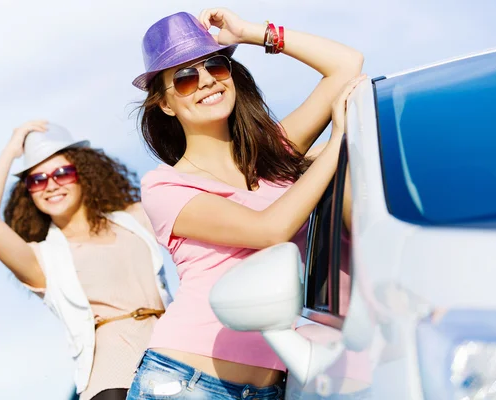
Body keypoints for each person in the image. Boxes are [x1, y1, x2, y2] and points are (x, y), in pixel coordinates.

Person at [127, 8, 365, 400]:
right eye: (184, 79)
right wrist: (336, 145)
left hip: (273, 389)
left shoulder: (273, 152)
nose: (205, 82)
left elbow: (347, 65)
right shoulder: (165, 187)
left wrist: (251, 33)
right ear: (166, 105)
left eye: (215, 67)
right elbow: (269, 230)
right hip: (186, 382)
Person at [0, 121, 172, 400]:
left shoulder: (135, 219)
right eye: (37, 180)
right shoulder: (41, 259)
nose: (50, 185)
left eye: (62, 173)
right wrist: (10, 151)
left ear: (84, 174)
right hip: (112, 381)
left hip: (175, 364)